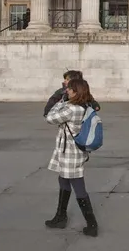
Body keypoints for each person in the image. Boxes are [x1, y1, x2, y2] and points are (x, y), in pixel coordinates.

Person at [45, 78, 98, 237]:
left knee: (78, 186)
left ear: (76, 91)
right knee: (63, 180)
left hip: (70, 154)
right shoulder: (85, 106)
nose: (67, 90)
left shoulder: (72, 109)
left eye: (69, 89)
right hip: (71, 151)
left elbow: (49, 117)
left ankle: (92, 224)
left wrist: (60, 101)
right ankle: (60, 217)